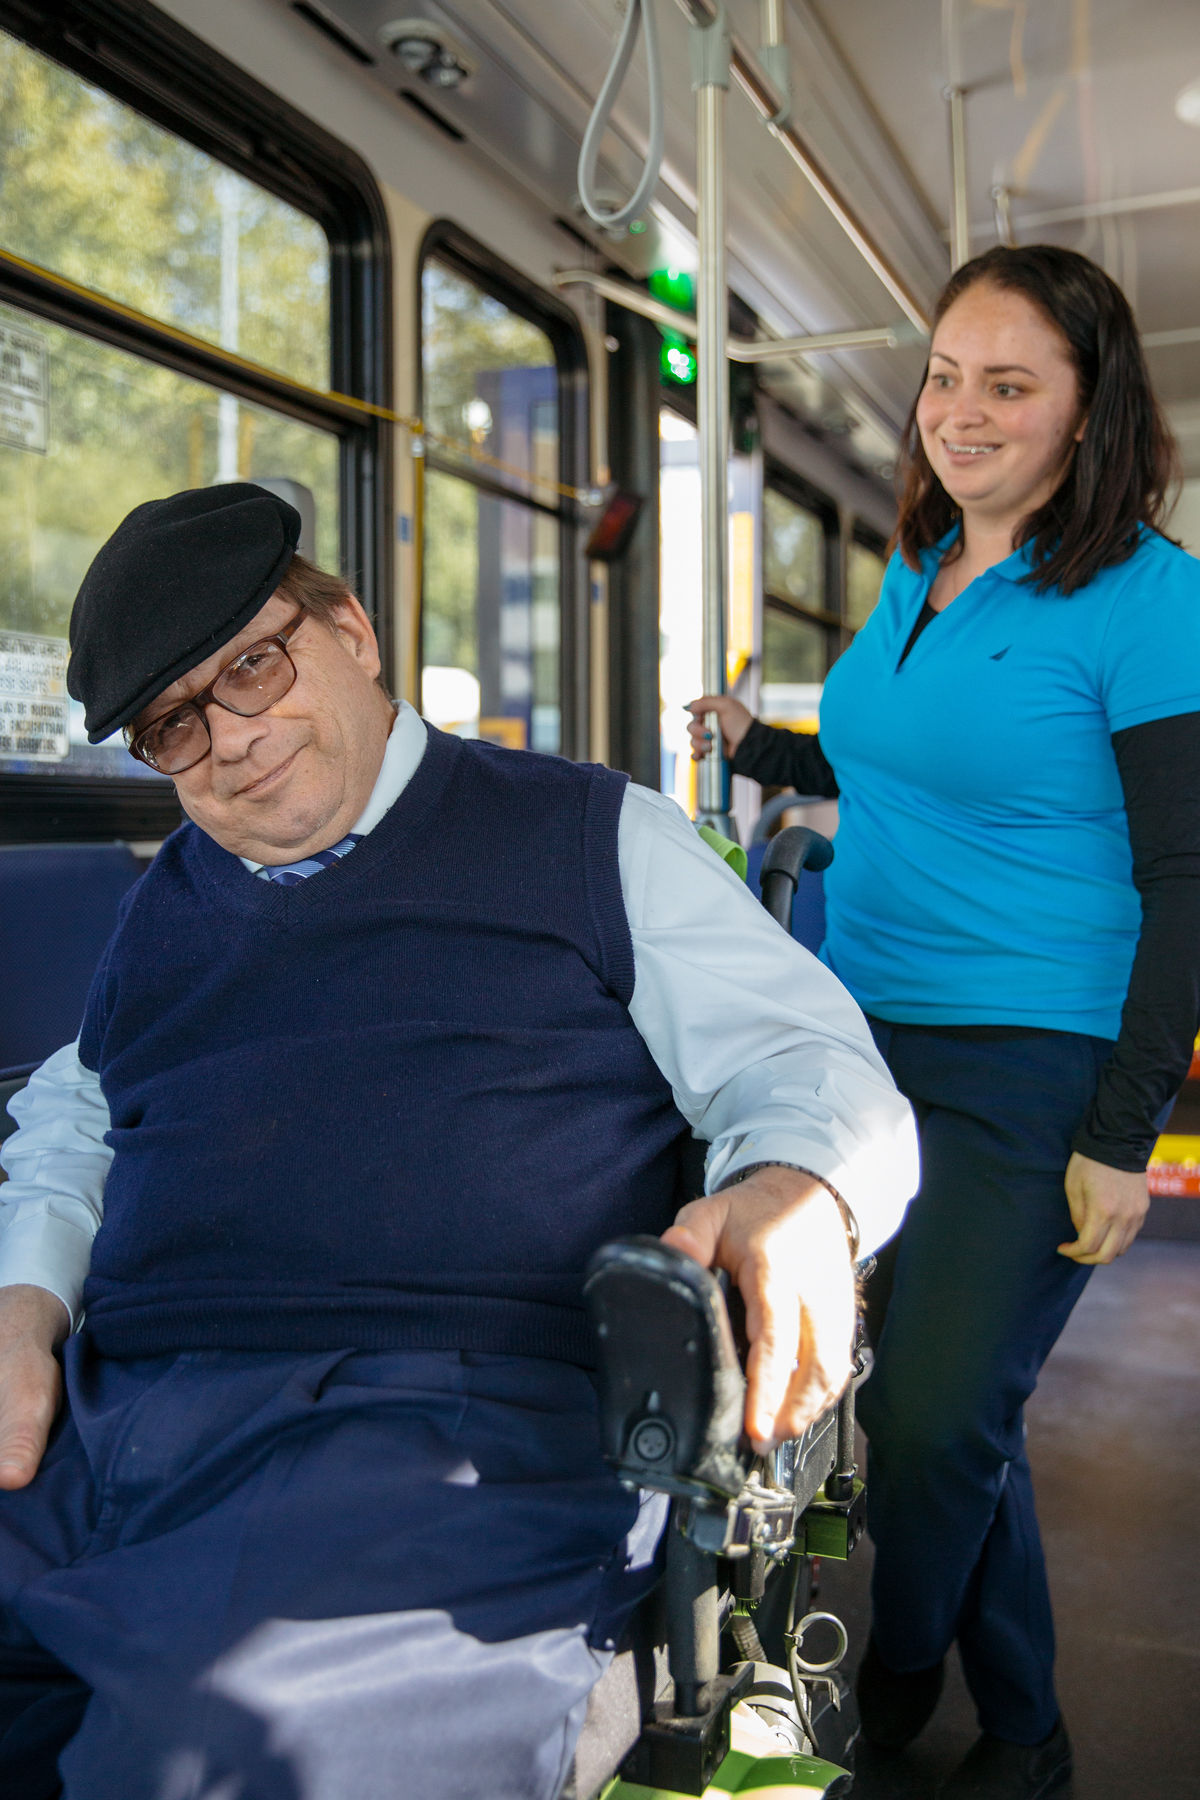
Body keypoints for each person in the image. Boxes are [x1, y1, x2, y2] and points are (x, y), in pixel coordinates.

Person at [0, 482, 918, 1800]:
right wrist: (25, 1298)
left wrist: (799, 1184)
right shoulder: (166, 906)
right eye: (174, 725)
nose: (231, 741)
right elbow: (80, 1105)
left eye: (253, 665)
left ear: (352, 629)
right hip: (109, 1408)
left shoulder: (587, 837)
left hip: (428, 1423)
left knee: (208, 1757)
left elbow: (803, 1064)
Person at [689, 243, 1200, 1800]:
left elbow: (1188, 876)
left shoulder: (1152, 598)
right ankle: (1028, 1731)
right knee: (941, 1408)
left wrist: (1127, 1134)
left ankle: (895, 1682)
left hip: (1031, 1062)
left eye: (1008, 385)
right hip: (861, 1042)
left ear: (1087, 411)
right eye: (943, 376)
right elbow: (905, 752)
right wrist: (765, 739)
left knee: (924, 1425)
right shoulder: (923, 563)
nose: (958, 413)